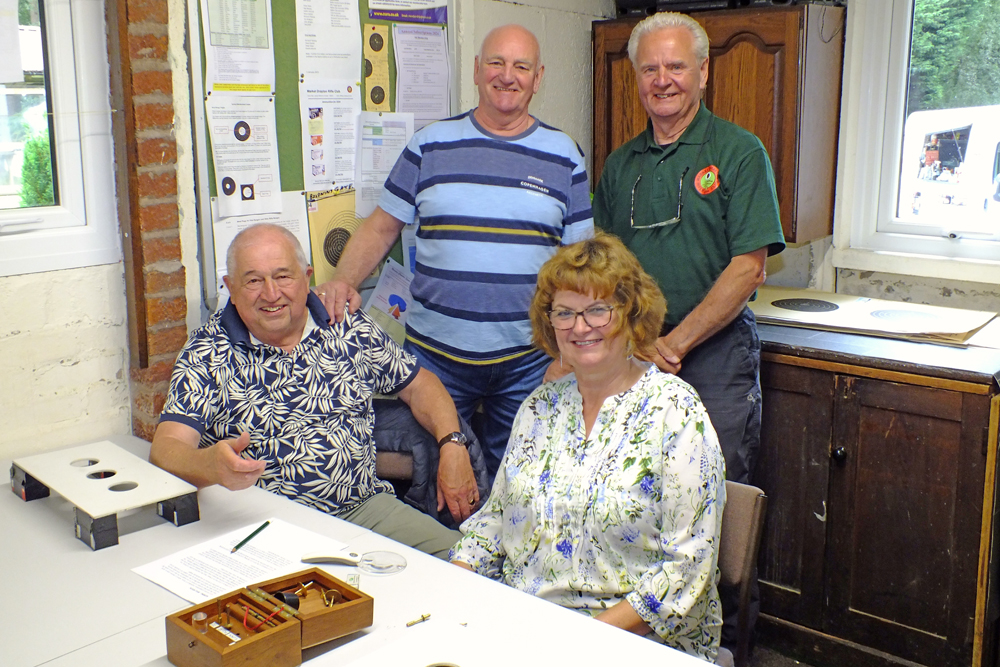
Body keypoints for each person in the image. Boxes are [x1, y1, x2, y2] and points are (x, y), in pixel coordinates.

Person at [316, 24, 594, 481]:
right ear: (477, 71)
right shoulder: (430, 144)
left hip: (529, 358)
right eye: (497, 63)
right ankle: (447, 553)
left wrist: (568, 355)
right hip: (436, 359)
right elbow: (383, 226)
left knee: (524, 479)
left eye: (521, 66)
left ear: (538, 77)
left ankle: (509, 555)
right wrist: (342, 281)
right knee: (438, 478)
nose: (508, 76)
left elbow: (581, 264)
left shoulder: (564, 155)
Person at [450, 234, 726, 662]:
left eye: (598, 310)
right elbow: (494, 525)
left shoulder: (676, 413)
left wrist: (576, 641)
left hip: (637, 640)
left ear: (631, 315)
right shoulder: (538, 409)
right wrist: (454, 581)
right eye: (565, 313)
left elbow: (688, 567)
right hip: (527, 628)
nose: (580, 327)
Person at [149, 223, 477, 559]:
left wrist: (452, 443)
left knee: (466, 564)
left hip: (364, 510)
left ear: (307, 278)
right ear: (230, 288)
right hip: (265, 527)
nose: (271, 293)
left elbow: (420, 385)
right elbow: (166, 449)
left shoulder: (346, 324)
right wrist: (209, 465)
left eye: (283, 276)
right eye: (253, 280)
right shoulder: (208, 350)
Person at [592, 12, 785, 488]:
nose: (663, 81)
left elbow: (748, 269)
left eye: (675, 67)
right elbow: (604, 272)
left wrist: (675, 345)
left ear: (703, 72)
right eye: (650, 70)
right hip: (635, 350)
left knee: (713, 488)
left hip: (716, 356)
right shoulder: (620, 166)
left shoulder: (740, 152)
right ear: (637, 77)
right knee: (631, 487)